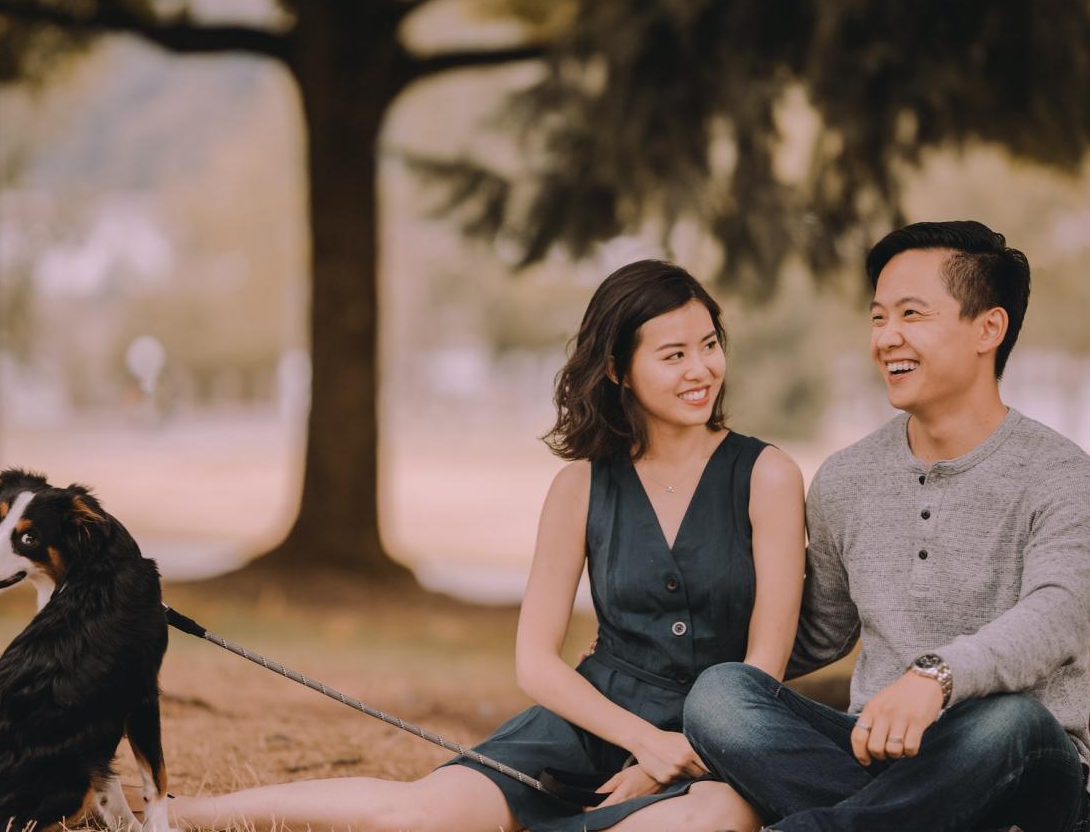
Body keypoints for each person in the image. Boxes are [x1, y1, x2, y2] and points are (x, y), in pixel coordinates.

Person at [168, 258, 806, 831]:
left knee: (707, 822)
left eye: (710, 345)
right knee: (415, 816)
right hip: (587, 725)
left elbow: (760, 675)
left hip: (713, 748)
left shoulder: (767, 476)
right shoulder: (580, 486)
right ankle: (172, 816)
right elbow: (535, 661)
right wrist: (641, 740)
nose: (701, 370)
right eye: (673, 355)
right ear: (618, 369)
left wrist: (667, 759)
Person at [683, 221, 1090, 832]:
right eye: (878, 317)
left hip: (1019, 765)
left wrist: (936, 678)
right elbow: (816, 630)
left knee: (1009, 719)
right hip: (875, 760)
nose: (887, 337)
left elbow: (1055, 619)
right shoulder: (847, 477)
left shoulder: (1064, 476)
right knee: (722, 696)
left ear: (990, 328)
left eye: (912, 314)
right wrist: (666, 646)